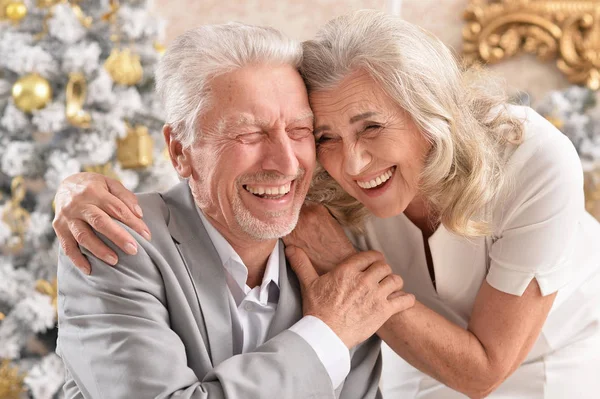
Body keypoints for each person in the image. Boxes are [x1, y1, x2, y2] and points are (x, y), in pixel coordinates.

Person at [53, 10, 600, 399]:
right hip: (416, 365)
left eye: (300, 131)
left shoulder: (531, 161)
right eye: (326, 136)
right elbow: (210, 172)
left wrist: (340, 283)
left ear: (431, 117)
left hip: (553, 360)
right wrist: (74, 186)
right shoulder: (121, 241)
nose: (351, 164)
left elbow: (483, 372)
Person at [54, 22, 416, 399]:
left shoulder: (337, 259)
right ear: (181, 151)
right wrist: (325, 336)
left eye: (299, 131)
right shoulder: (117, 242)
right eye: (249, 134)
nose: (286, 163)